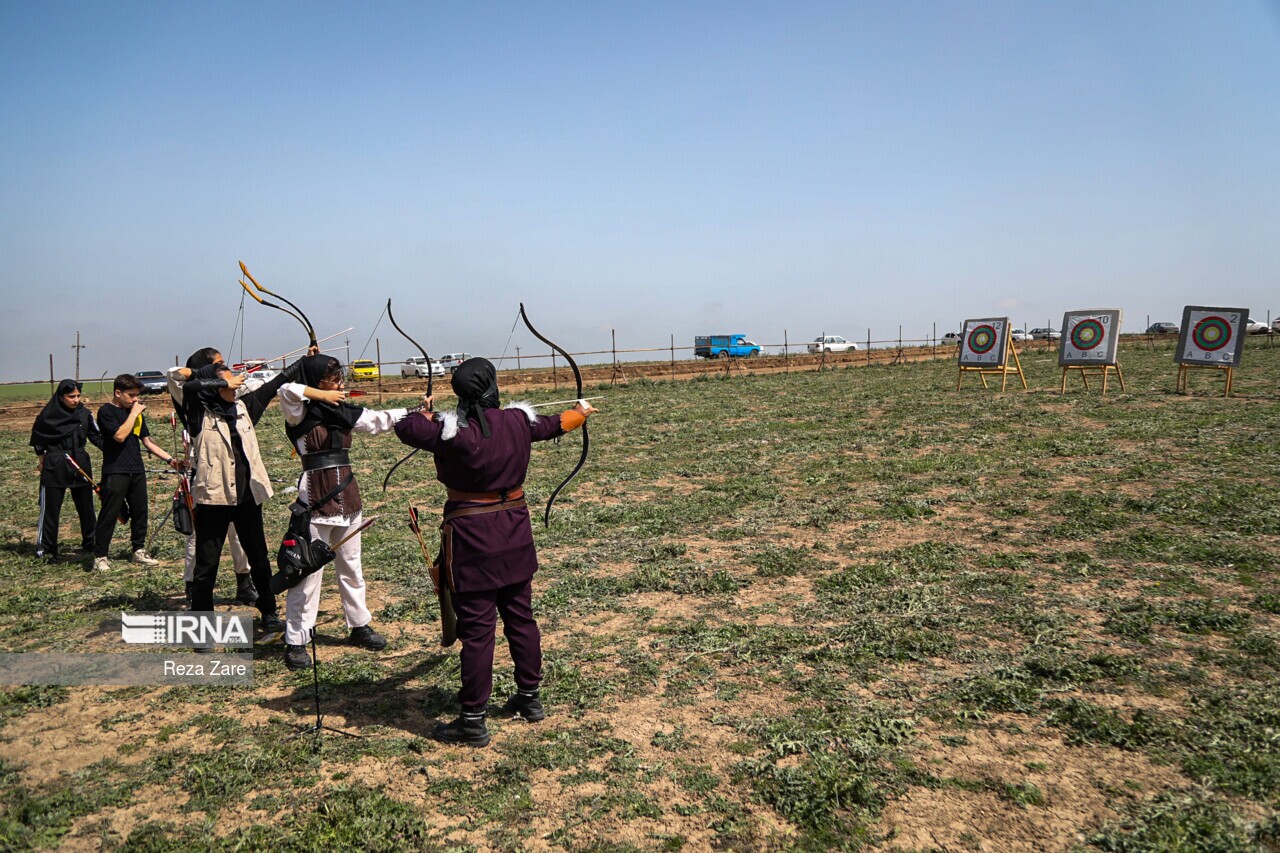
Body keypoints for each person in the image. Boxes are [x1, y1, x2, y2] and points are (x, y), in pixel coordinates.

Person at [394, 357, 596, 747]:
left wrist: (425, 410)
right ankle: (530, 699)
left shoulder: (448, 431)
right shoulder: (519, 421)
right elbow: (560, 422)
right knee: (521, 619)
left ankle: (473, 720)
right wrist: (581, 410)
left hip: (472, 539)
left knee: (479, 632)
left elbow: (406, 426)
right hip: (514, 533)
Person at [277, 354, 407, 670]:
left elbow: (377, 421)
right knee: (307, 573)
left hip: (347, 495)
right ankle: (296, 640)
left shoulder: (342, 411)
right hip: (315, 498)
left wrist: (415, 413)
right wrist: (320, 395)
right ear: (316, 382)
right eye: (332, 379)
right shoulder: (299, 412)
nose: (340, 384)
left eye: (339, 378)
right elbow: (285, 390)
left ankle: (359, 625)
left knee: (351, 565)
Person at [183, 357, 305, 638]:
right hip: (213, 500)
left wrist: (305, 360)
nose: (236, 384)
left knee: (259, 560)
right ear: (215, 385)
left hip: (247, 499)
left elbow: (276, 383)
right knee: (206, 566)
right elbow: (189, 386)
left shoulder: (244, 407)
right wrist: (221, 380)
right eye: (229, 381)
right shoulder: (198, 413)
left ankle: (269, 612)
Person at [169, 349, 260, 609]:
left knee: (239, 535)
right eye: (219, 365)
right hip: (206, 473)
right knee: (200, 538)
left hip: (230, 470)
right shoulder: (191, 392)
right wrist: (221, 379)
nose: (225, 368)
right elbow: (173, 374)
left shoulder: (221, 393)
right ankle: (193, 586)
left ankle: (245, 582)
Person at [91, 374, 183, 570]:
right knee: (110, 513)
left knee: (140, 511)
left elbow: (147, 442)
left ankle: (138, 550)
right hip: (115, 471)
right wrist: (133, 413)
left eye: (137, 396)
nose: (135, 400)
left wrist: (170, 460)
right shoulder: (106, 411)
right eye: (131, 395)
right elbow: (119, 436)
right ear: (118, 393)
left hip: (136, 470)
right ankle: (100, 556)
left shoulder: (136, 414)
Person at [30, 379, 103, 563]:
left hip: (80, 463)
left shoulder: (84, 414)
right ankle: (46, 550)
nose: (76, 400)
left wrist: (115, 450)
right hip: (55, 463)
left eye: (78, 396)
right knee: (50, 510)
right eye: (71, 396)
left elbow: (95, 436)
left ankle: (90, 542)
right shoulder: (47, 416)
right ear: (61, 397)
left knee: (86, 507)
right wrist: (42, 460)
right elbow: (38, 438)